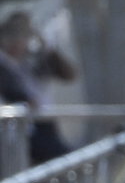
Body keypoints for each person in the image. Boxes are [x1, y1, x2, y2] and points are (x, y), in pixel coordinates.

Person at [0, 9, 76, 165]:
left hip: (44, 124)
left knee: (65, 160)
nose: (17, 44)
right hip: (17, 128)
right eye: (12, 37)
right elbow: (13, 94)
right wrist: (26, 101)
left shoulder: (36, 59)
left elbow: (68, 74)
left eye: (22, 36)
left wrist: (46, 46)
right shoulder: (4, 65)